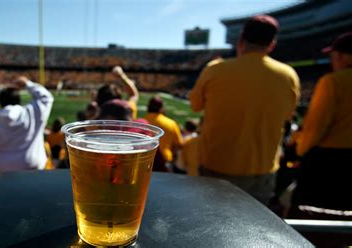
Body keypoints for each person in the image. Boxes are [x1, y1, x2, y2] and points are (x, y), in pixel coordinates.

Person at [189, 15, 300, 204]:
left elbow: (195, 105)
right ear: (271, 44)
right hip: (262, 169)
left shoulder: (215, 69)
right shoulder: (288, 75)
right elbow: (289, 114)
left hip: (216, 164)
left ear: (240, 40)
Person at [292, 32, 352, 213]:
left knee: (315, 222)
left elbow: (316, 127)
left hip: (330, 165)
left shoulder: (333, 81)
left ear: (341, 56)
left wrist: (300, 150)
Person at [0, 76, 54, 173]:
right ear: (18, 100)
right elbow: (46, 98)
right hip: (33, 166)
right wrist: (27, 84)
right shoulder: (31, 113)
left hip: (1, 169)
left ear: (1, 103)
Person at [144, 96, 183, 172]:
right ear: (161, 107)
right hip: (165, 160)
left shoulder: (142, 121)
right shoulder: (171, 123)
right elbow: (179, 144)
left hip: (146, 160)